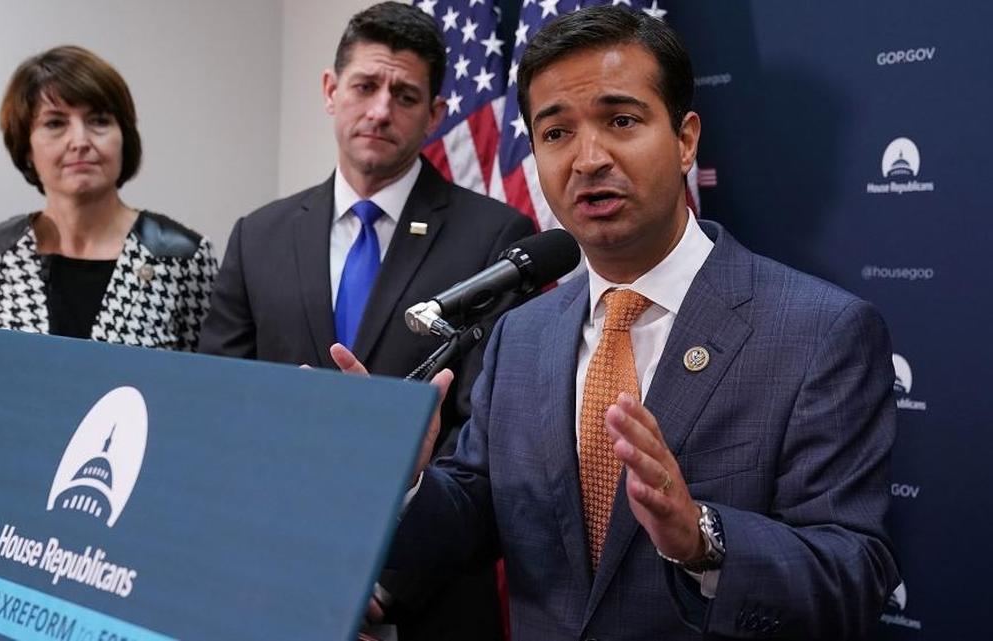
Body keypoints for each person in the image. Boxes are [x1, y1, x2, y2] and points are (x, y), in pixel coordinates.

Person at [339, 5, 899, 640]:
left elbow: (854, 575)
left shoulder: (820, 332)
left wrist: (702, 538)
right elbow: (475, 511)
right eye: (556, 134)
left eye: (621, 121)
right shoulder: (521, 336)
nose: (588, 158)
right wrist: (404, 479)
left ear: (686, 138)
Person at [198, 3, 534, 638]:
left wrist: (385, 584)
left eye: (405, 95)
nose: (380, 110)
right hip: (271, 588)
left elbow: (489, 441)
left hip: (422, 600)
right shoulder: (259, 235)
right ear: (331, 91)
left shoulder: (495, 240)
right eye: (365, 86)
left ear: (436, 115)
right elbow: (222, 411)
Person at [0, 45, 216, 350]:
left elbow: (206, 389)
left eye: (99, 120)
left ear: (124, 137)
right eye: (55, 123)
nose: (80, 141)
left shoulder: (182, 255)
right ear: (26, 147)